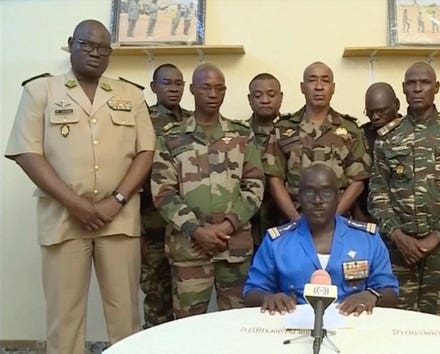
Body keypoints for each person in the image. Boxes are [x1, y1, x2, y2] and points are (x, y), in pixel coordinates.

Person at [4, 20, 155, 354]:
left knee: (125, 316)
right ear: (71, 43)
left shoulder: (130, 94)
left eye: (103, 48)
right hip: (63, 218)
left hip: (119, 219)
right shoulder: (40, 91)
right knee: (64, 317)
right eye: (87, 45)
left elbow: (146, 151)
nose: (95, 53)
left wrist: (116, 200)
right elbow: (26, 152)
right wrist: (75, 203)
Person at [151, 63, 264, 318]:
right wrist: (198, 231)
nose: (213, 94)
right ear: (192, 90)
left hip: (233, 249)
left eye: (219, 88)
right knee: (187, 327)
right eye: (206, 88)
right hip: (189, 249)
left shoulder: (242, 135)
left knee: (238, 324)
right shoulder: (171, 137)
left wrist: (226, 227)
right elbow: (163, 191)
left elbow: (254, 185)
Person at [368, 62, 440, 318]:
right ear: (403, 89)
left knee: (439, 321)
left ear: (436, 87)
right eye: (411, 83)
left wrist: (435, 237)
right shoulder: (388, 136)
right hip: (398, 249)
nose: (418, 89)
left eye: (425, 83)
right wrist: (397, 236)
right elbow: (377, 192)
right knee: (394, 318)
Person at [244, 165, 399, 315]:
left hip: (353, 328)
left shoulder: (367, 239)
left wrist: (373, 296)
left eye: (326, 193)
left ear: (338, 196)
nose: (318, 200)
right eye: (309, 193)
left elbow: (390, 291)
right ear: (299, 197)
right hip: (294, 326)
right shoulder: (277, 242)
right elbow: (251, 292)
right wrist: (268, 297)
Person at [263, 61, 370, 222]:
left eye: (325, 81)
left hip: (338, 222)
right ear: (302, 87)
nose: (319, 87)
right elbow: (274, 179)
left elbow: (358, 181)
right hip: (293, 222)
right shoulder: (282, 129)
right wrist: (296, 219)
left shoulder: (351, 130)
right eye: (312, 80)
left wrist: (333, 218)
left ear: (332, 88)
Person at [139, 64, 191, 328]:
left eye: (178, 83)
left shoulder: (194, 120)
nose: (173, 88)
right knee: (157, 296)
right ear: (153, 87)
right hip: (153, 225)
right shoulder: (141, 120)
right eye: (167, 83)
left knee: (186, 296)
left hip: (188, 225)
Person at [353, 82, 400, 223]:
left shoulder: (411, 132)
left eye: (381, 111)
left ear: (396, 105)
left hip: (404, 219)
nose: (375, 117)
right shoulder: (360, 135)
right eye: (370, 112)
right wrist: (358, 214)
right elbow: (351, 178)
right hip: (367, 217)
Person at [247, 73, 284, 247]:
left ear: (281, 97)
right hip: (249, 224)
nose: (265, 100)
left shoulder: (294, 131)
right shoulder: (237, 134)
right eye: (258, 95)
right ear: (249, 99)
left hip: (285, 218)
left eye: (271, 94)